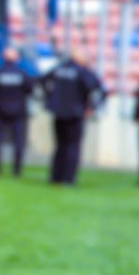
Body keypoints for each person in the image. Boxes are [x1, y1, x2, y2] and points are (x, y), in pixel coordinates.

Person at [41, 48, 104, 186]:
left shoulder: (59, 68)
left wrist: (50, 98)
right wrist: (91, 106)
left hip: (59, 112)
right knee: (73, 146)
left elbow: (43, 80)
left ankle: (56, 176)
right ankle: (68, 178)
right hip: (75, 113)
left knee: (60, 145)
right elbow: (96, 88)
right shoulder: (83, 71)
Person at [0, 46, 33, 177]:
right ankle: (17, 169)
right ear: (17, 58)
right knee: (18, 141)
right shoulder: (22, 73)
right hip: (18, 111)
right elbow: (30, 89)